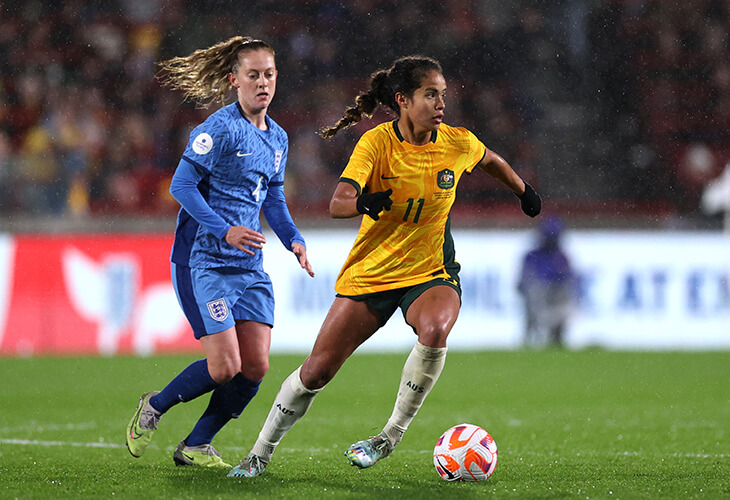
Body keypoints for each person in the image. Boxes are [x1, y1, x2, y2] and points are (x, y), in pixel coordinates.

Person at [228, 55, 541, 478]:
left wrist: (524, 192)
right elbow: (337, 203)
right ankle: (258, 455)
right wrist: (363, 202)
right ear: (403, 100)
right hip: (371, 274)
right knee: (316, 372)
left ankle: (387, 437)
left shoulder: (456, 141)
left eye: (442, 95)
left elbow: (490, 160)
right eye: (430, 94)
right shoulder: (376, 144)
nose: (440, 103)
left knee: (435, 329)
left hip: (430, 271)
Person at [125, 36, 314, 469]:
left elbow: (273, 196)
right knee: (224, 366)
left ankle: (196, 444)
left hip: (249, 266)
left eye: (268, 74)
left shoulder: (279, 138)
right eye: (253, 75)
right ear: (234, 80)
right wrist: (225, 230)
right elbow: (181, 187)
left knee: (256, 367)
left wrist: (293, 239)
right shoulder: (217, 129)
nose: (262, 83)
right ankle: (153, 406)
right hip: (203, 261)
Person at [516, 216, 575, 347]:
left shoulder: (561, 258)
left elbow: (568, 283)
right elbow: (522, 283)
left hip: (555, 302)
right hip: (536, 302)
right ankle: (531, 339)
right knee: (534, 293)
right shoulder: (532, 256)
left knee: (563, 306)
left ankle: (556, 339)